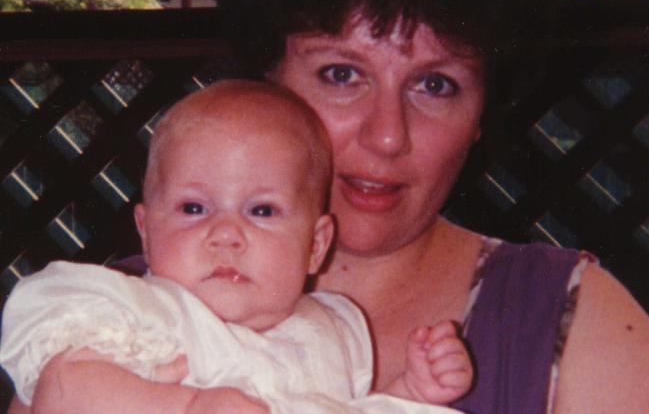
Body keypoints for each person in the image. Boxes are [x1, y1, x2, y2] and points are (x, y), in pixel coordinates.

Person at [9, 0, 649, 413]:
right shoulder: (119, 324)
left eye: (436, 83)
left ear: (484, 110)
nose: (387, 135)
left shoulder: (573, 324)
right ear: (269, 77)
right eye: (341, 74)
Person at [1, 80, 472, 414]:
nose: (225, 234)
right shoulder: (138, 313)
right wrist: (188, 406)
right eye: (193, 208)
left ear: (316, 244)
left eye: (262, 211)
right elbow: (61, 395)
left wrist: (410, 390)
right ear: (145, 230)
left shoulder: (333, 332)